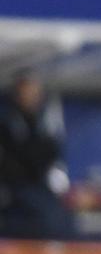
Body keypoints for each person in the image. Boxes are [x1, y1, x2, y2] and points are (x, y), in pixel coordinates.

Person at [0, 73, 73, 239]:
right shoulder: (6, 125)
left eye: (34, 92)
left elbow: (51, 158)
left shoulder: (46, 125)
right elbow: (13, 164)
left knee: (61, 220)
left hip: (40, 191)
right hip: (14, 194)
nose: (30, 97)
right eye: (26, 92)